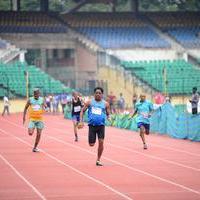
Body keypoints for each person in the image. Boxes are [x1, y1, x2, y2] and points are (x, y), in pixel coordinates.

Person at [80, 87, 110, 166]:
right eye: (96, 93)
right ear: (94, 94)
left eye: (99, 93)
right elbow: (82, 111)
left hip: (101, 126)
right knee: (91, 144)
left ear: (102, 94)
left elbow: (108, 113)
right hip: (92, 126)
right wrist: (81, 121)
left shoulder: (105, 104)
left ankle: (98, 159)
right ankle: (92, 140)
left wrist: (109, 117)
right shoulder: (89, 102)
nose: (98, 94)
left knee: (101, 142)